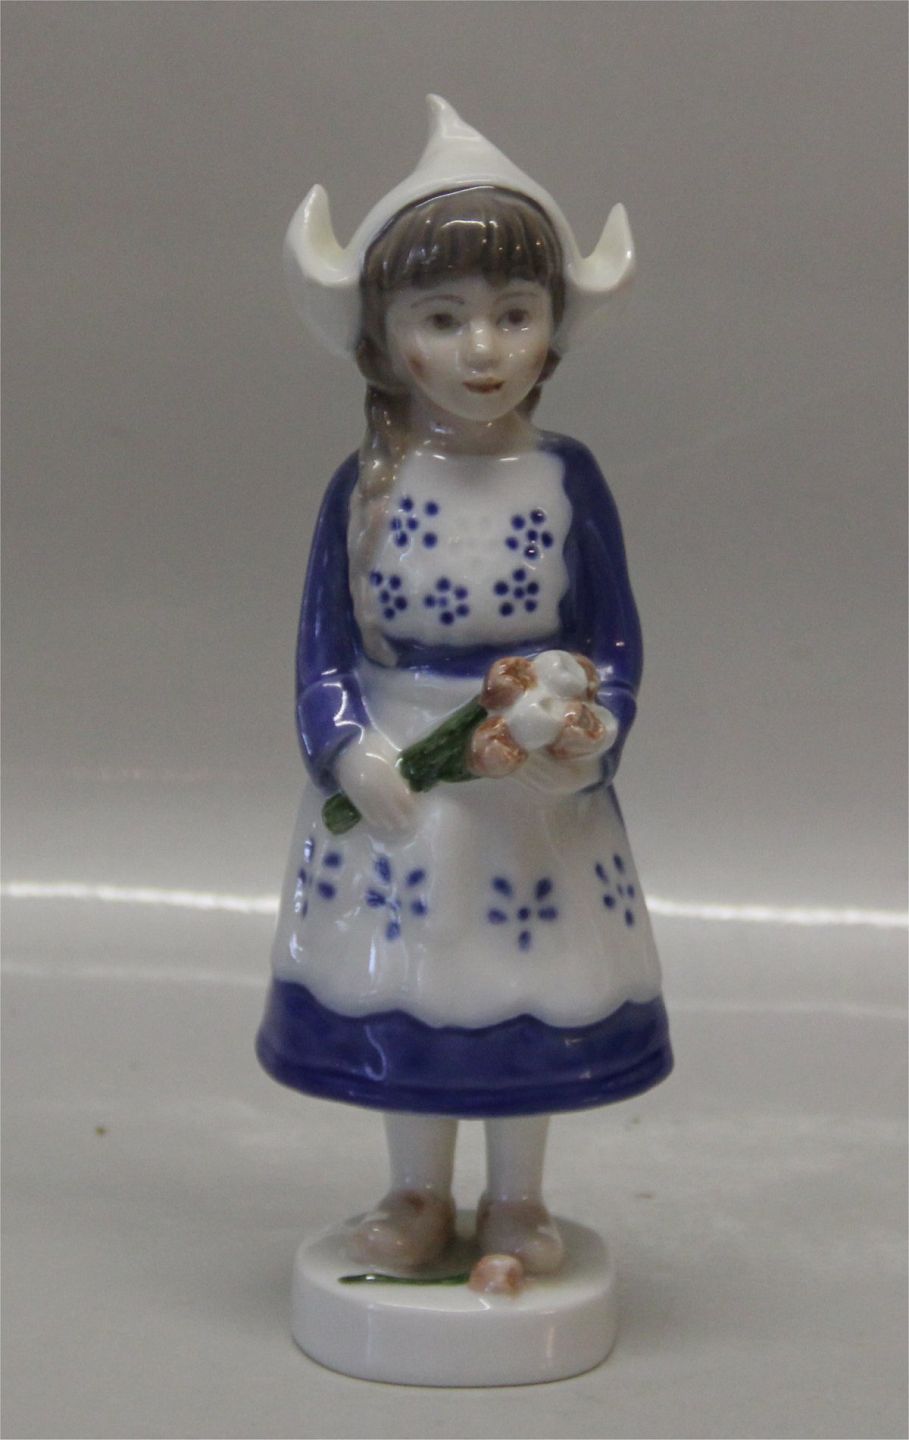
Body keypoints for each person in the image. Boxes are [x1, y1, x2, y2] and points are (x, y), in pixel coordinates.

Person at [257, 97, 672, 1276]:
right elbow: (322, 651)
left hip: (533, 794)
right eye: (443, 319)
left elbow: (615, 636)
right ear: (386, 341)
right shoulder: (364, 488)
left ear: (552, 331)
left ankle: (519, 1201)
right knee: (416, 991)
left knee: (528, 992)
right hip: (406, 785)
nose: (482, 350)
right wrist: (350, 749)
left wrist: (590, 734)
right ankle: (416, 1191)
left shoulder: (566, 479)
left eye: (513, 314)